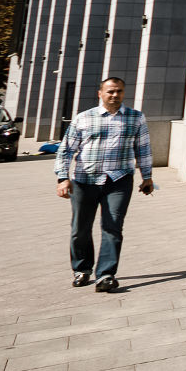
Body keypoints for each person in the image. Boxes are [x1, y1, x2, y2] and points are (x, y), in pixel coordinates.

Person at [56, 77, 154, 293]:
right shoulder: (84, 118)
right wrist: (63, 178)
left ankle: (106, 275)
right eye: (110, 91)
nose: (115, 95)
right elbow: (66, 150)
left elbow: (143, 148)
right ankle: (82, 269)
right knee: (80, 229)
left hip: (119, 181)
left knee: (113, 226)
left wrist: (147, 177)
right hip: (85, 180)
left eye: (119, 91)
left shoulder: (136, 118)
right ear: (100, 93)